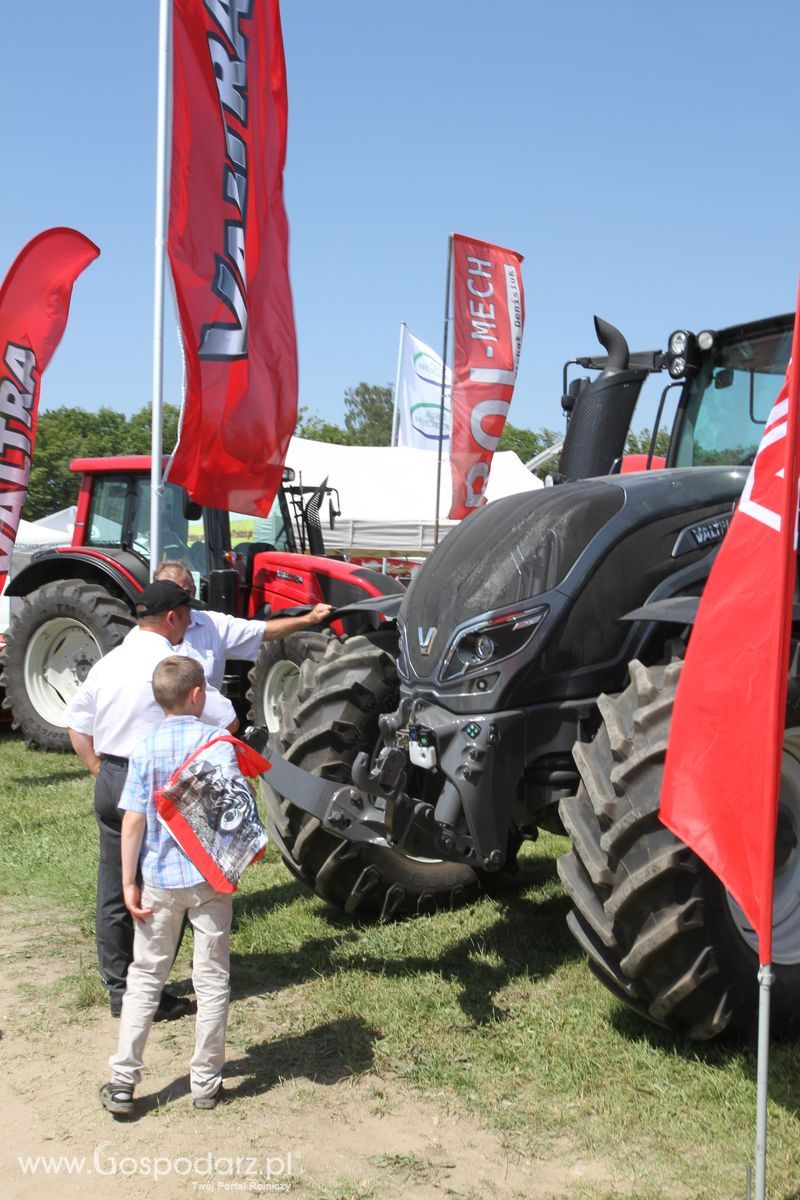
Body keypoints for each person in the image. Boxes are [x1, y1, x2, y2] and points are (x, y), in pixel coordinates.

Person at [66, 580, 238, 1019]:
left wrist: (98, 769)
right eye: (186, 616)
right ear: (173, 618)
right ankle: (149, 991)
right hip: (158, 782)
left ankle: (120, 989)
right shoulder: (176, 663)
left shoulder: (109, 661)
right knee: (164, 887)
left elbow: (77, 725)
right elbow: (228, 721)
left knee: (114, 887)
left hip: (113, 776)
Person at [99, 655, 237, 1115]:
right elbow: (234, 812)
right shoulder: (218, 743)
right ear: (198, 695)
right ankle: (205, 1083)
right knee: (211, 977)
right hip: (209, 878)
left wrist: (127, 881)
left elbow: (133, 820)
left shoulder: (145, 747)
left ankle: (123, 1079)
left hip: (157, 879)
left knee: (145, 976)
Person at [154, 559, 332, 690]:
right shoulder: (141, 638)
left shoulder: (213, 625)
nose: (174, 600)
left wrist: (308, 619)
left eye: (182, 593)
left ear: (192, 592)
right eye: (167, 593)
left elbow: (262, 631)